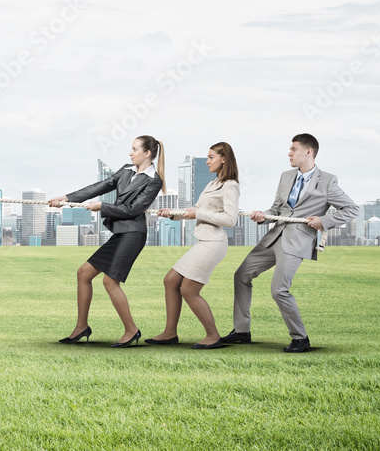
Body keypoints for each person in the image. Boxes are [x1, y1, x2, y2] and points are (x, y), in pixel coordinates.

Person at [219, 133, 357, 353]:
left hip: (297, 240)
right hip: (274, 236)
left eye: (293, 149)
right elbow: (277, 210)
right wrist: (264, 215)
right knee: (241, 275)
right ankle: (242, 331)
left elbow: (352, 209)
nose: (289, 153)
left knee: (279, 290)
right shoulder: (285, 176)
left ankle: (300, 338)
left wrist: (324, 221)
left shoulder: (328, 181)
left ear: (308, 151)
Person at [48, 135, 165, 347]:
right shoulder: (126, 170)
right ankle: (81, 327)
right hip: (120, 232)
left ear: (147, 153)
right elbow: (100, 186)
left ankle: (132, 330)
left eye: (134, 149)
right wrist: (66, 198)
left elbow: (133, 210)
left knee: (110, 281)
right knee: (84, 273)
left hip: (133, 234)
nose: (130, 153)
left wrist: (102, 207)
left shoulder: (154, 181)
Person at [146, 142, 239, 349]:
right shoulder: (213, 183)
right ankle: (170, 333)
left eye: (211, 157)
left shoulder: (230, 185)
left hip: (214, 242)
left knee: (189, 290)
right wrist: (173, 214)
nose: (207, 161)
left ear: (223, 159)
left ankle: (213, 335)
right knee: (171, 280)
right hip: (203, 241)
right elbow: (196, 209)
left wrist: (199, 213)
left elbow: (231, 219)